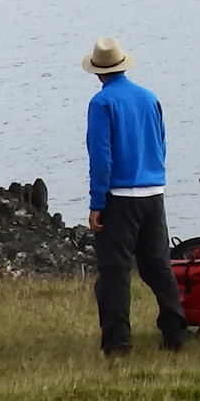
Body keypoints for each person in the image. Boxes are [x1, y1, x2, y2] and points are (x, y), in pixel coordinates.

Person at [79, 36, 185, 356]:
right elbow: (161, 143)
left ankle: (117, 342)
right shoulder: (149, 97)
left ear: (98, 72)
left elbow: (101, 157)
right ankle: (175, 331)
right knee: (158, 267)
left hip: (120, 197)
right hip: (153, 192)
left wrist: (97, 203)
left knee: (115, 272)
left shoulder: (102, 103)